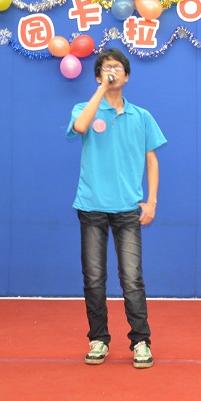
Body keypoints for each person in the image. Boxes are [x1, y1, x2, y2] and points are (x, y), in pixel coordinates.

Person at [66, 48, 167, 368]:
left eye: (118, 68)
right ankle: (98, 339)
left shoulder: (142, 116)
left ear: (127, 76)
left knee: (132, 278)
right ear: (98, 75)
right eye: (106, 68)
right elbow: (80, 127)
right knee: (94, 278)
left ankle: (141, 342)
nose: (112, 72)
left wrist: (151, 201)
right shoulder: (85, 108)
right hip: (91, 206)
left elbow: (152, 160)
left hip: (127, 209)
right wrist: (100, 91)